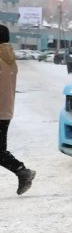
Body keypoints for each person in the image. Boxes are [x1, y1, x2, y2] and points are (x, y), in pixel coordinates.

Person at [0, 25, 35, 195]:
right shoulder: (9, 59)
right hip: (5, 111)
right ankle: (22, 171)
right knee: (0, 151)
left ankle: (22, 171)